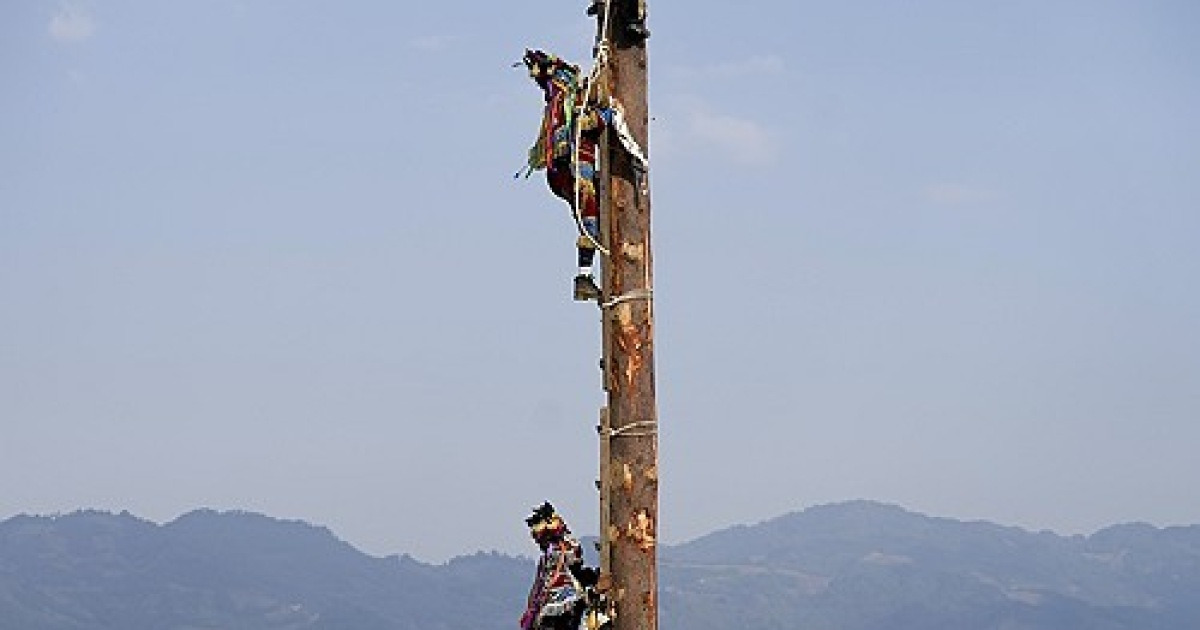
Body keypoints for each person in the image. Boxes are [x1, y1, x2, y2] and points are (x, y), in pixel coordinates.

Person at [520, 502, 598, 630]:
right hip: (553, 601)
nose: (538, 542)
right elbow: (539, 585)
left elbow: (575, 565)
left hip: (566, 599)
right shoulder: (547, 557)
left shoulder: (564, 548)